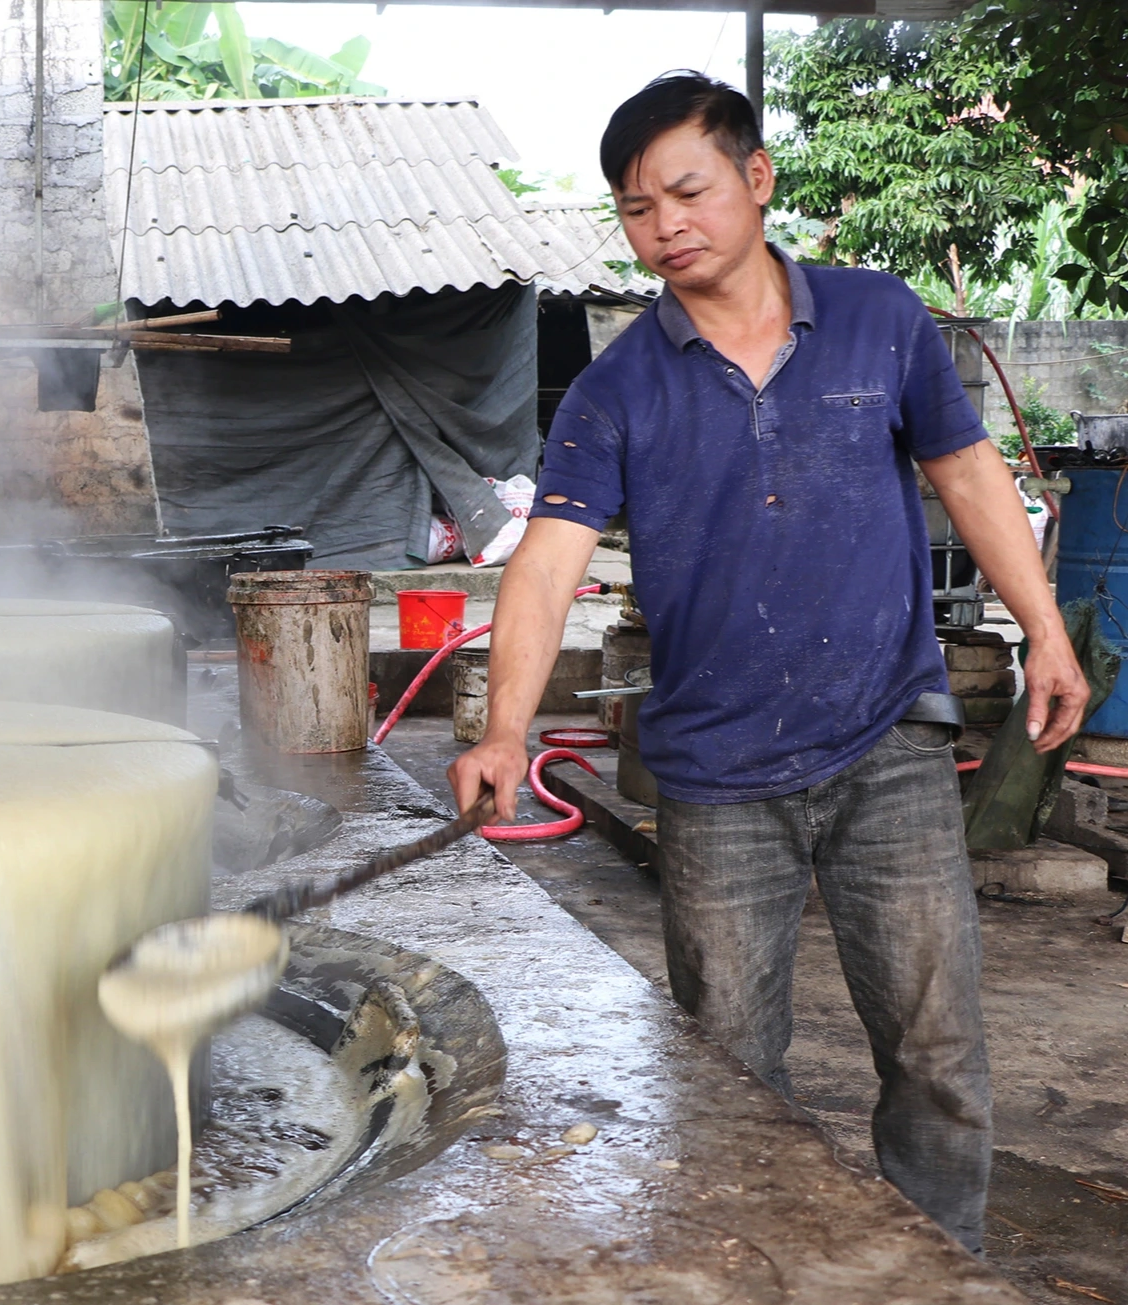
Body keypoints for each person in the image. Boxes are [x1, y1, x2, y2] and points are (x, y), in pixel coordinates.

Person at [446, 71, 1087, 1254]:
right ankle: (753, 1272)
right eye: (636, 210)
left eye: (686, 191)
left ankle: (947, 1267)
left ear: (754, 179)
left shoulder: (878, 319)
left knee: (936, 1054)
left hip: (886, 744)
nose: (664, 227)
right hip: (714, 779)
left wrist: (1043, 630)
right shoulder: (616, 386)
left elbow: (967, 475)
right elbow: (542, 566)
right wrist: (503, 730)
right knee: (730, 1075)